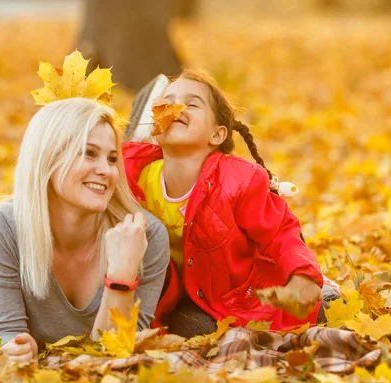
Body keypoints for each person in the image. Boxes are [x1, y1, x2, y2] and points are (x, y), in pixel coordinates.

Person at [123, 70, 339, 338]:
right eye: (167, 101)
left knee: (315, 312)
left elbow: (280, 234)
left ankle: (323, 289)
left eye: (192, 104)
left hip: (240, 293)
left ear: (217, 135)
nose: (177, 108)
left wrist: (302, 278)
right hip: (181, 297)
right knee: (192, 329)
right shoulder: (131, 176)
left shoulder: (238, 181)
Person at [0, 98, 170, 363]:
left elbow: (115, 355)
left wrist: (121, 275)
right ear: (48, 157)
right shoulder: (3, 228)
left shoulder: (144, 236)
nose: (105, 171)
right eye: (88, 153)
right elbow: (5, 335)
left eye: (112, 159)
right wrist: (15, 348)